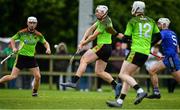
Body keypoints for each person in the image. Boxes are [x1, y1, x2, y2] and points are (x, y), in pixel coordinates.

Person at [106, 1, 161, 107]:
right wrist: (150, 45)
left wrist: (117, 34)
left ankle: (140, 91)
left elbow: (126, 38)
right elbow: (159, 37)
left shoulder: (132, 21)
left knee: (122, 75)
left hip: (135, 51)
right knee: (128, 76)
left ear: (136, 9)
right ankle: (120, 102)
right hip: (145, 53)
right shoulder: (151, 21)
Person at [60, 5, 122, 98]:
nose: (97, 13)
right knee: (99, 71)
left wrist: (83, 43)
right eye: (97, 11)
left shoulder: (105, 22)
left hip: (102, 46)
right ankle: (116, 85)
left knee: (84, 59)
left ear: (104, 13)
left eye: (99, 12)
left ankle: (73, 82)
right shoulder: (101, 20)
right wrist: (82, 39)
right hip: (107, 48)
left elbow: (93, 36)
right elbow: (90, 29)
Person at [0, 16, 51, 96]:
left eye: (34, 23)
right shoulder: (22, 32)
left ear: (36, 24)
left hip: (31, 58)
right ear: (27, 23)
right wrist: (14, 48)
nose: (32, 25)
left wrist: (48, 48)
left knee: (38, 76)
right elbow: (12, 39)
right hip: (21, 57)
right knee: (13, 76)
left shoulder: (38, 35)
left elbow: (45, 42)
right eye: (30, 23)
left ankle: (34, 92)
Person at [146, 18, 180, 98]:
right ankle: (156, 92)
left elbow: (157, 41)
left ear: (164, 24)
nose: (158, 25)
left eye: (159, 24)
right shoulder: (173, 33)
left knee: (178, 79)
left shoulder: (163, 32)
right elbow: (177, 49)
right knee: (152, 70)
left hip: (171, 58)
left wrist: (148, 46)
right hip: (169, 57)